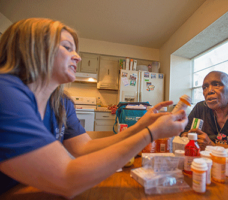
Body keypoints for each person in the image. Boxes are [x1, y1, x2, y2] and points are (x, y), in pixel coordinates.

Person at [0, 18, 188, 197]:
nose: (78, 57)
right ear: (33, 49)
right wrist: (150, 133)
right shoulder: (5, 93)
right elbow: (67, 179)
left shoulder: (61, 102)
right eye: (67, 48)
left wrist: (140, 127)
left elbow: (83, 147)